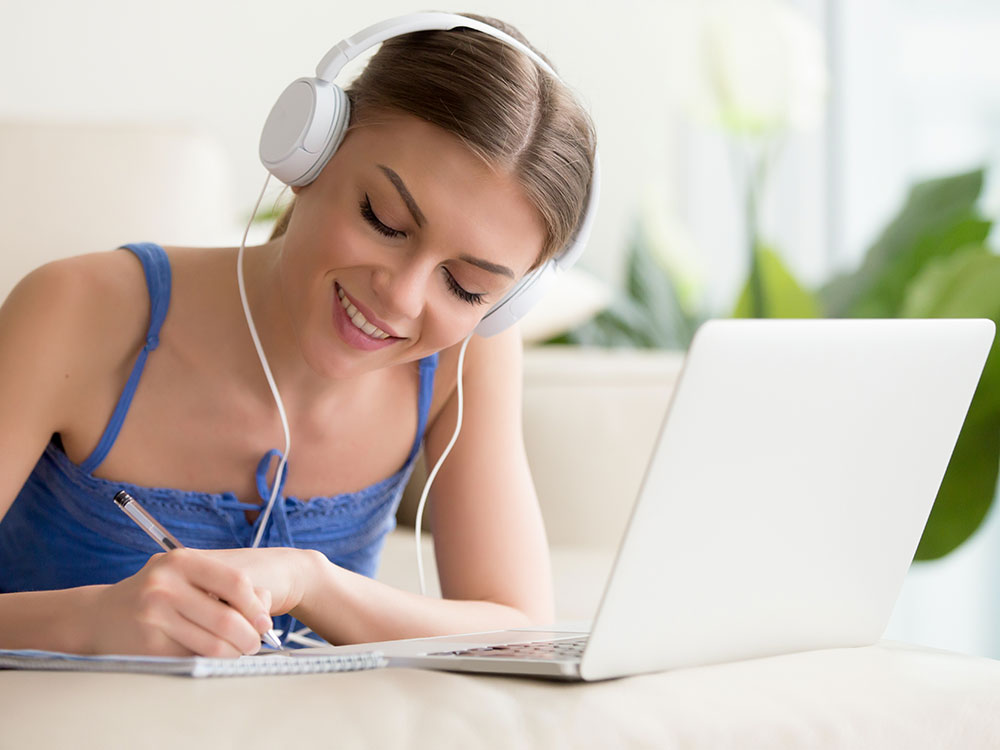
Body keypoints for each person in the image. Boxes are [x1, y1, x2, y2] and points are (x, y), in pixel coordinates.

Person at [0, 13, 597, 658]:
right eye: (385, 220)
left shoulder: (465, 355)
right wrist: (87, 622)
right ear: (309, 149)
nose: (400, 297)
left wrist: (311, 582)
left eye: (465, 286)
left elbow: (519, 632)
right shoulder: (79, 311)